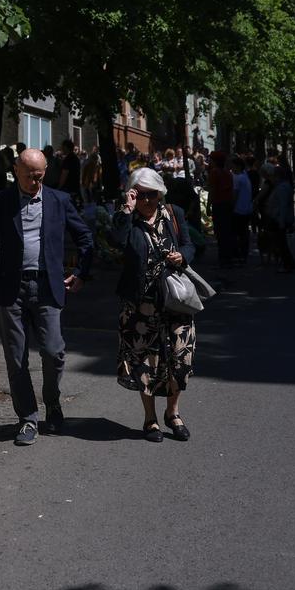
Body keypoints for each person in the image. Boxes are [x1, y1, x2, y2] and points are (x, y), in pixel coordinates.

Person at [0, 148, 95, 445]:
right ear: (16, 170)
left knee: (54, 352)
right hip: (10, 289)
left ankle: (52, 403)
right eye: (29, 175)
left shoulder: (59, 201)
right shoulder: (0, 202)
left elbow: (85, 238)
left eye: (39, 175)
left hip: (47, 287)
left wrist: (81, 272)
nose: (34, 181)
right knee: (16, 359)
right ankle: (28, 419)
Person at [116, 167, 198, 442]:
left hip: (175, 301)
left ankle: (172, 413)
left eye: (152, 194)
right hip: (142, 305)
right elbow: (117, 243)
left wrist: (182, 257)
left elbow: (191, 245)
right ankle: (150, 419)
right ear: (132, 194)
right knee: (145, 362)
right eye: (140, 195)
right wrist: (126, 211)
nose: (147, 201)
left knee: (179, 357)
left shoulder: (174, 214)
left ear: (160, 193)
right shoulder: (128, 219)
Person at [263, 163, 295, 272]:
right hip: (278, 218)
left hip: (279, 219)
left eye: (273, 176)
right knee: (280, 243)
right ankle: (289, 263)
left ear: (277, 176)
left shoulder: (282, 187)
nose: (271, 178)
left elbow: (283, 206)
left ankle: (288, 264)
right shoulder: (281, 186)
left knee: (281, 243)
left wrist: (281, 222)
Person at [207, 151, 236, 266]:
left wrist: (209, 205)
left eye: (211, 160)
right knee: (227, 231)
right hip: (227, 204)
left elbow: (212, 190)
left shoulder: (214, 173)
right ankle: (228, 257)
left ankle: (223, 258)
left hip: (218, 204)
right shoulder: (228, 173)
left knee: (220, 232)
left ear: (215, 161)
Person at [230, 155, 253, 265]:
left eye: (233, 166)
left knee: (237, 234)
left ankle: (238, 256)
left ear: (238, 166)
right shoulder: (245, 176)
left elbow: (235, 194)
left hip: (239, 209)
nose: (231, 168)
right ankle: (244, 255)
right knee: (244, 233)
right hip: (246, 209)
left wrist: (231, 206)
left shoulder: (238, 178)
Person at [58, 138, 82, 206]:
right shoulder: (75, 158)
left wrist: (59, 187)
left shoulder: (68, 159)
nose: (61, 148)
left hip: (68, 188)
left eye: (62, 147)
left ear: (66, 147)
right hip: (75, 187)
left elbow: (64, 174)